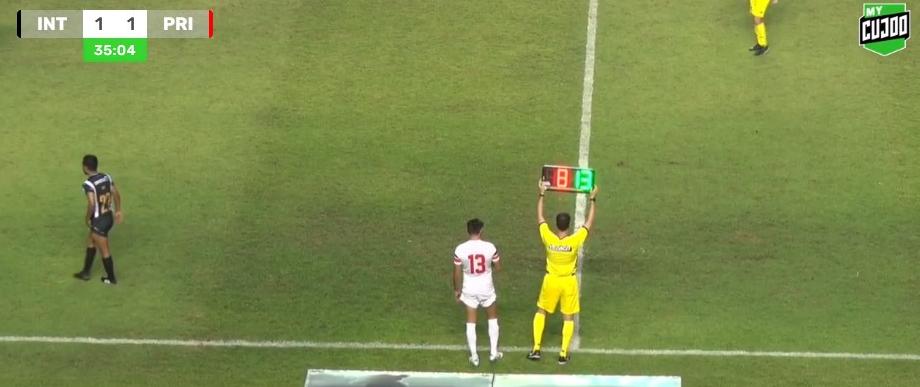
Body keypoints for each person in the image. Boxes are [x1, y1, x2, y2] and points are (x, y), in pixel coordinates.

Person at [528, 181, 598, 364]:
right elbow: (589, 223)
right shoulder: (574, 241)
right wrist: (593, 199)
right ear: (568, 226)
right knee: (568, 316)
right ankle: (563, 353)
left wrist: (542, 194)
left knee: (541, 311)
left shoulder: (548, 237)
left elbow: (540, 217)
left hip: (550, 280)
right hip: (568, 282)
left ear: (557, 225)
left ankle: (536, 349)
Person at [452, 218, 502, 367]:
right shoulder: (490, 247)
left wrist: (456, 290)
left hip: (469, 289)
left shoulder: (460, 249)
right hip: (486, 287)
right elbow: (498, 267)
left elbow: (456, 272)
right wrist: (488, 269)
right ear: (481, 230)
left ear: (468, 231)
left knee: (471, 322)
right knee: (492, 319)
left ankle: (474, 357)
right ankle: (494, 353)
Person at [73, 154, 122, 285]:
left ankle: (111, 278)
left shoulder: (88, 184)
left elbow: (92, 203)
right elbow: (116, 193)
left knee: (104, 250)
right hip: (108, 216)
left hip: (99, 221)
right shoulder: (106, 177)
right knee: (91, 241)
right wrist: (118, 210)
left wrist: (87, 218)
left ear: (85, 167)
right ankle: (86, 272)